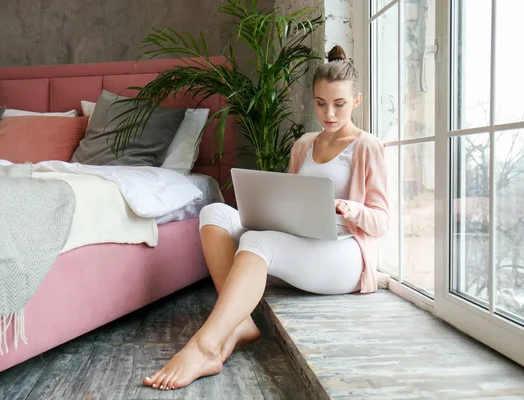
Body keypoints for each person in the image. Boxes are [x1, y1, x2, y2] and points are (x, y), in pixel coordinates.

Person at [142, 45, 389, 391]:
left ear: (357, 101)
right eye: (320, 103)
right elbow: (289, 196)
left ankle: (205, 347)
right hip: (300, 247)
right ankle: (241, 321)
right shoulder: (304, 144)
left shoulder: (367, 146)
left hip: (343, 254)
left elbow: (382, 221)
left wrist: (353, 209)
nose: (329, 113)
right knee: (213, 212)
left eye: (339, 104)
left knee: (256, 241)